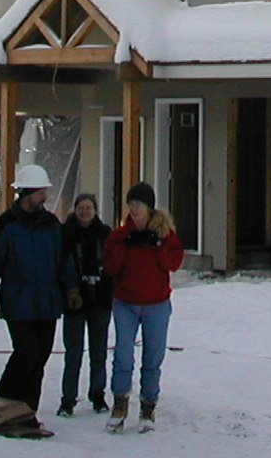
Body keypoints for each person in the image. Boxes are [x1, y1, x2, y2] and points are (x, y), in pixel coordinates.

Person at [0, 164, 75, 417]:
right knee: (26, 354)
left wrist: (72, 288)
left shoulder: (52, 225)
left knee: (40, 358)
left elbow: (64, 260)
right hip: (18, 303)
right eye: (42, 192)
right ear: (28, 193)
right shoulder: (4, 227)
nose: (45, 197)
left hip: (47, 303)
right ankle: (4, 406)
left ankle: (27, 412)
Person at [103, 180, 184, 433]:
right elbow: (110, 267)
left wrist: (156, 245)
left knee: (153, 356)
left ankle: (148, 406)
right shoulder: (120, 235)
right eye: (131, 204)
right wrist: (126, 247)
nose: (134, 209)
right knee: (123, 355)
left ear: (149, 208)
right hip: (126, 303)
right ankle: (120, 404)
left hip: (156, 305)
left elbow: (174, 263)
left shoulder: (164, 234)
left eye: (138, 204)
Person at [57, 192, 114, 417]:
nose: (84, 212)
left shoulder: (105, 234)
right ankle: (67, 400)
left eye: (88, 208)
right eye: (81, 208)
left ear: (95, 210)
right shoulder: (66, 234)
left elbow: (113, 265)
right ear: (75, 209)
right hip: (74, 303)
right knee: (73, 354)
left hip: (100, 302)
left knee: (98, 353)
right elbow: (61, 265)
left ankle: (97, 395)